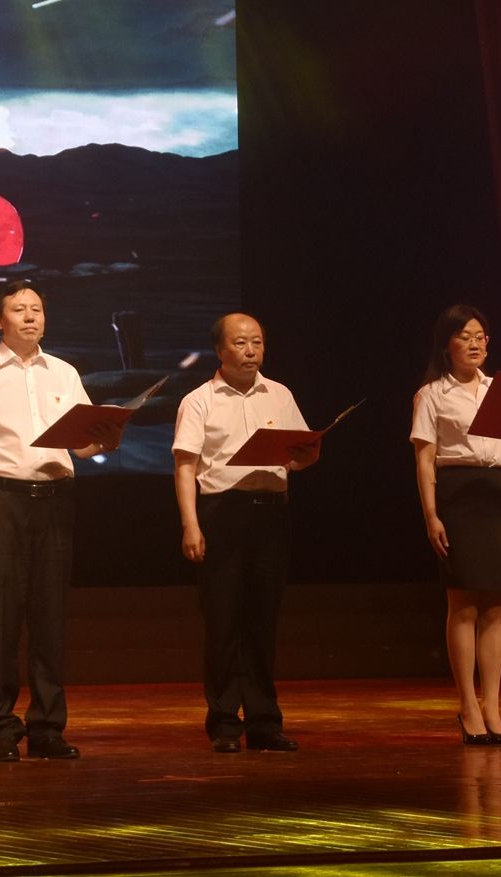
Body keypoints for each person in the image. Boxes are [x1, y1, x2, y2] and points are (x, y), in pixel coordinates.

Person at [0, 281, 120, 761]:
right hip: (1, 498)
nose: (30, 317)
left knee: (50, 614)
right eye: (19, 309)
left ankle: (47, 726)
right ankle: (2, 725)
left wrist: (105, 441)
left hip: (55, 499)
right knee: (3, 613)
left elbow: (80, 445)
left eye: (37, 309)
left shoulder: (64, 372)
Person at [172, 313, 317, 753]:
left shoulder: (280, 394)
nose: (251, 350)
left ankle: (264, 721)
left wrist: (307, 453)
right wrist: (191, 524)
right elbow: (185, 466)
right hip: (222, 513)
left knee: (262, 621)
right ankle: (223, 722)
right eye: (240, 342)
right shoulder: (199, 400)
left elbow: (301, 457)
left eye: (257, 342)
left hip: (270, 513)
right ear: (220, 350)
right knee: (222, 620)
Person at [409, 305, 501, 745]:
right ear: (447, 344)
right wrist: (431, 515)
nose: (475, 344)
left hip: (498, 495)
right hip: (458, 494)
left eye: (481, 336)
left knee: (495, 606)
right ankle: (468, 704)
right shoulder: (432, 394)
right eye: (465, 336)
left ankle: (493, 706)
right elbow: (425, 460)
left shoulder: (500, 390)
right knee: (464, 605)